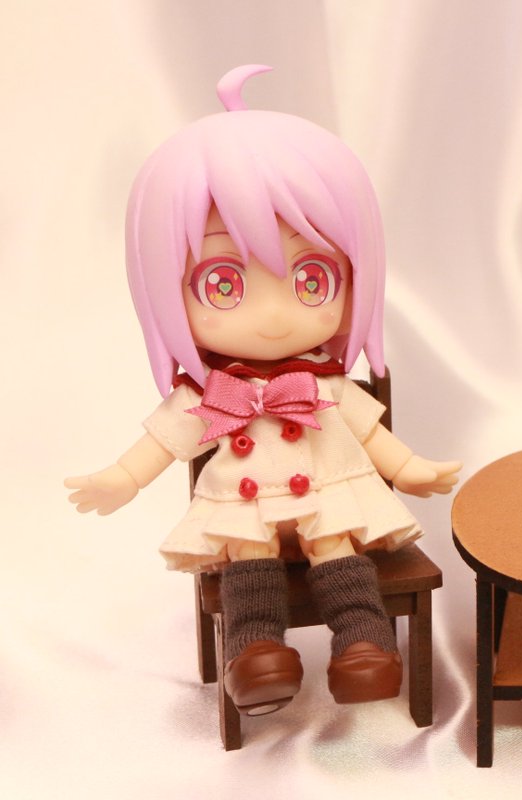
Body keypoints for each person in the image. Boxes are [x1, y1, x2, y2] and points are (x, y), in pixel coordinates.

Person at [66, 65, 460, 716]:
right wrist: (121, 478)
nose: (274, 316)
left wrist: (410, 468)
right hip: (246, 509)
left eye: (312, 279)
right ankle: (255, 655)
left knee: (338, 547)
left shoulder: (325, 384)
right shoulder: (209, 393)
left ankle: (363, 648)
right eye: (223, 283)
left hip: (328, 502)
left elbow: (371, 434)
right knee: (248, 556)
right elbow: (161, 442)